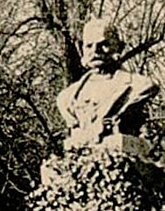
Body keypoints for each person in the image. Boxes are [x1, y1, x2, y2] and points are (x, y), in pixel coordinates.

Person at [56, 18, 158, 152]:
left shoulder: (139, 85)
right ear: (82, 49)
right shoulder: (66, 98)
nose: (96, 50)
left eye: (104, 44)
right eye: (89, 45)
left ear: (119, 47)